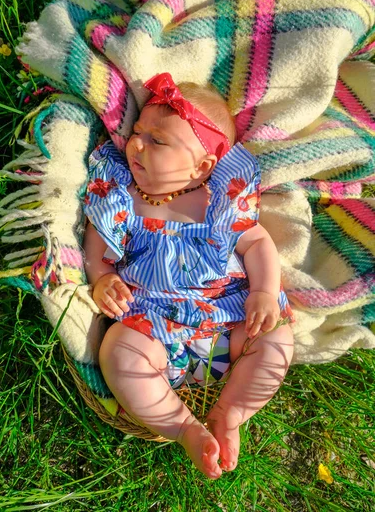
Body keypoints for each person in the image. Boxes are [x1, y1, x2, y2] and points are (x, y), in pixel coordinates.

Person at [83, 72, 294, 479]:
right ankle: (183, 427)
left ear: (203, 165)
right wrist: (100, 276)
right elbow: (98, 241)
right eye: (138, 131)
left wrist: (265, 292)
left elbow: (257, 244)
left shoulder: (219, 202)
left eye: (157, 140)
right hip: (153, 325)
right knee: (117, 350)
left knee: (275, 338)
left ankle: (229, 413)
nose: (136, 144)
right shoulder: (123, 193)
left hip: (224, 319)